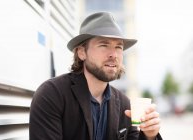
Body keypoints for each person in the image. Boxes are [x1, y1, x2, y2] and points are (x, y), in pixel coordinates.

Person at [29, 12, 162, 140]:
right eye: (104, 45)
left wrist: (149, 135)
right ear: (81, 52)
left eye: (118, 47)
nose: (113, 54)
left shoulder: (124, 105)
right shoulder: (52, 94)